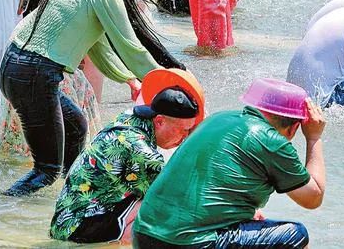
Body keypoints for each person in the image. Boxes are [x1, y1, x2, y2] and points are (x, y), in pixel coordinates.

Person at [0, 0, 186, 196]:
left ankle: (71, 193)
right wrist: (170, 84)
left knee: (76, 125)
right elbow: (131, 48)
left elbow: (97, 48)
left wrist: (129, 80)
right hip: (34, 75)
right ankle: (1, 207)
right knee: (46, 169)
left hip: (14, 67)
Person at [133, 79, 326, 249]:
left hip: (143, 235)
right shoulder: (271, 141)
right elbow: (313, 197)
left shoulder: (217, 119)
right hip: (189, 243)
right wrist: (314, 138)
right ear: (293, 128)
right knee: (296, 235)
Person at [50, 68, 205, 244]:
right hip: (77, 229)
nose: (185, 138)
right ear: (160, 121)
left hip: (67, 219)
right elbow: (179, 197)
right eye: (183, 131)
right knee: (167, 211)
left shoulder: (130, 117)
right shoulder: (142, 153)